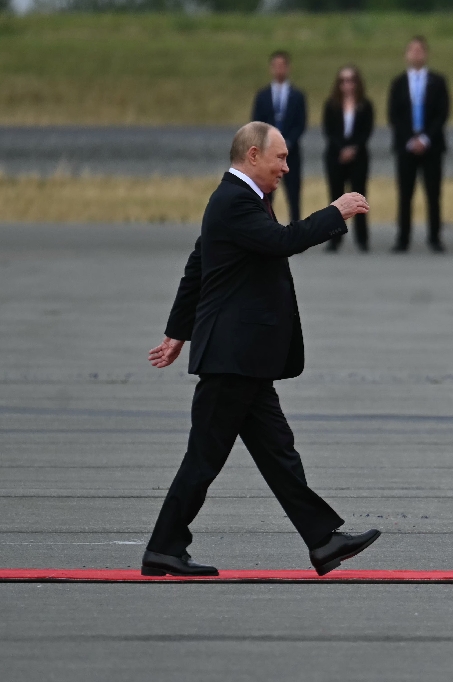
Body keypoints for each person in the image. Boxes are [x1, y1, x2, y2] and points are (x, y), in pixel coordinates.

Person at [142, 122, 380, 578]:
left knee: (278, 453)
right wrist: (335, 212)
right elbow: (281, 242)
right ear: (253, 155)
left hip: (244, 358)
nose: (286, 167)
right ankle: (163, 547)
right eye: (280, 158)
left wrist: (177, 332)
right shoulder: (235, 201)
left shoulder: (240, 200)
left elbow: (197, 268)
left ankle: (323, 541)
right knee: (205, 457)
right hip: (232, 358)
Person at [387, 36, 450, 253]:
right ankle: (403, 238)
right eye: (412, 50)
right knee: (405, 194)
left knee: (433, 194)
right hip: (406, 145)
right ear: (406, 54)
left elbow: (442, 113)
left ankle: (435, 237)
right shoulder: (398, 83)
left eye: (420, 50)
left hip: (431, 145)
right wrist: (409, 139)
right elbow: (394, 115)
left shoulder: (438, 81)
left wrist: (425, 138)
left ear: (426, 54)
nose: (416, 54)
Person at [252, 51, 308, 223]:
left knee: (293, 195)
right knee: (266, 196)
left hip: (291, 153)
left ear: (288, 68)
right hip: (268, 154)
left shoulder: (297, 96)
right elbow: (257, 122)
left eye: (282, 66)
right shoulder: (263, 96)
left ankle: (296, 230)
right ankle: (267, 228)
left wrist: (287, 143)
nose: (279, 69)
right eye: (276, 66)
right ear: (271, 68)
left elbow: (301, 123)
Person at [323, 65, 374, 253]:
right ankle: (334, 239)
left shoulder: (365, 105)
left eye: (351, 80)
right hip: (336, 156)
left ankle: (362, 238)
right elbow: (329, 131)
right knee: (335, 198)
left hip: (358, 157)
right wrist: (342, 149)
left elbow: (366, 131)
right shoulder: (331, 105)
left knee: (359, 198)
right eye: (343, 81)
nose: (347, 84)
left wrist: (353, 148)